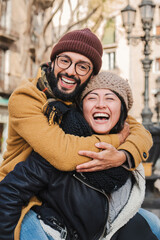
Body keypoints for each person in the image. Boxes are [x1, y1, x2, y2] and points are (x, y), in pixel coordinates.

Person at [0, 28, 158, 237]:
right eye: (65, 60)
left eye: (82, 66)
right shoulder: (26, 98)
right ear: (53, 61)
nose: (71, 71)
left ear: (91, 76)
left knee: (153, 224)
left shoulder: (81, 95)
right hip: (25, 198)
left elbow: (139, 131)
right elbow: (62, 153)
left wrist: (123, 155)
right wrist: (117, 139)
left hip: (67, 195)